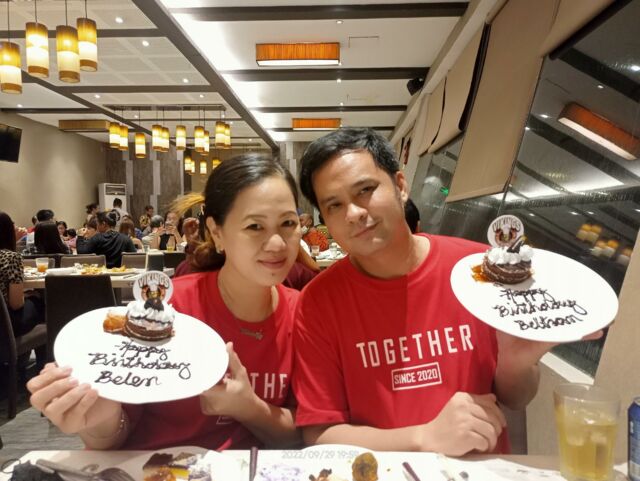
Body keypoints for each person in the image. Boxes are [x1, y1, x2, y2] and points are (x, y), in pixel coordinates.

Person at [293, 128, 599, 455]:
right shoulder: (318, 302)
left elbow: (516, 398)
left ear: (400, 186)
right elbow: (320, 434)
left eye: (365, 190)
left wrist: (515, 364)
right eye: (334, 205)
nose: (354, 213)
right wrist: (424, 437)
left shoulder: (480, 272)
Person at [27, 153, 302, 451]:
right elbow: (114, 435)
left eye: (288, 222)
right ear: (216, 232)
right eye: (255, 226)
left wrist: (248, 407)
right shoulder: (165, 310)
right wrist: (98, 420)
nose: (277, 243)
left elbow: (305, 437)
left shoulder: (305, 314)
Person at [0, 211, 45, 339]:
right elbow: (16, 304)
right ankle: (43, 347)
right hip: (5, 324)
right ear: (8, 231)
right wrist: (28, 295)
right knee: (38, 301)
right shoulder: (12, 257)